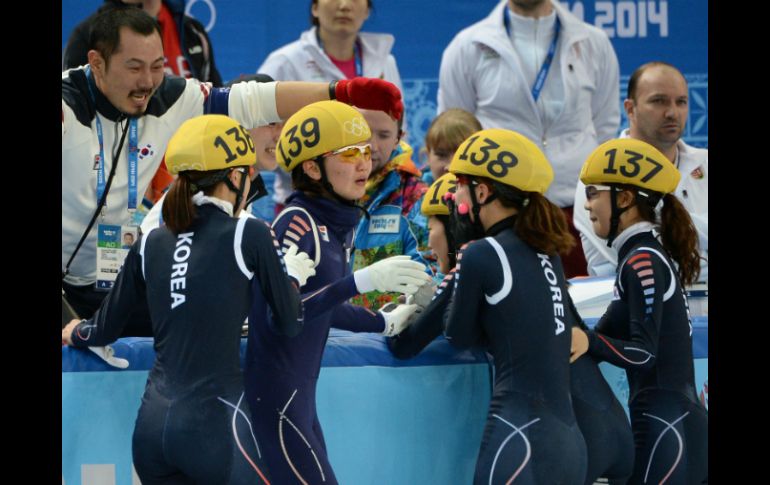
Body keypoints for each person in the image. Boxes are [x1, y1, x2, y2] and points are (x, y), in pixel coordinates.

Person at [61, 7, 404, 323]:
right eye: (134, 67)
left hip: (118, 278)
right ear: (97, 63)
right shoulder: (67, 108)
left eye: (157, 66)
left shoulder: (168, 96)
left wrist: (341, 92)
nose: (148, 81)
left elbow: (254, 101)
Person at [61, 114, 319, 485]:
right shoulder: (249, 231)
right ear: (235, 176)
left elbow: (102, 329)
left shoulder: (149, 241)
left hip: (152, 430)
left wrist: (76, 331)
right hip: (215, 429)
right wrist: (291, 276)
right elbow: (290, 323)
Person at [245, 100, 429, 485]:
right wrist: (360, 283)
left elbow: (323, 308)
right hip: (279, 403)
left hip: (297, 402)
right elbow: (281, 316)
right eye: (348, 153)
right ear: (312, 168)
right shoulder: (298, 223)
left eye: (365, 151)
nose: (364, 163)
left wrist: (384, 322)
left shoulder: (331, 225)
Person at [443, 128, 587, 483]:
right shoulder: (547, 250)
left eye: (459, 183)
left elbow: (457, 335)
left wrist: (460, 255)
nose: (453, 193)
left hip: (517, 433)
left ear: (481, 191)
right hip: (569, 441)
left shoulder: (481, 253)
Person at [437, 0, 620, 278]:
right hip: (501, 210)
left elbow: (605, 128)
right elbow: (455, 136)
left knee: (583, 312)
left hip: (578, 210)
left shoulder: (594, 43)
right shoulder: (467, 46)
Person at [570, 138, 708, 484]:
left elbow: (644, 353)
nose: (586, 207)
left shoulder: (642, 260)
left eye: (593, 193)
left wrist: (588, 343)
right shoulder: (636, 256)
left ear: (626, 198)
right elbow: (603, 334)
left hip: (666, 424)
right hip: (667, 421)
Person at [256, 0, 403, 214]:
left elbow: (397, 130)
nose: (344, 5)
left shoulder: (385, 62)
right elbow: (258, 133)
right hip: (304, 204)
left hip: (373, 207)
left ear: (368, 10)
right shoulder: (285, 63)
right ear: (314, 8)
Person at [573, 61, 708, 280]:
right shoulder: (600, 173)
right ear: (630, 108)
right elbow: (636, 264)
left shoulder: (706, 163)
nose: (672, 112)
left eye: (681, 102)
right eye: (658, 101)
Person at [350, 108, 430, 311]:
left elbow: (429, 272)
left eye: (384, 135)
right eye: (363, 133)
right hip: (331, 330)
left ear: (398, 138)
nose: (372, 146)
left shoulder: (415, 196)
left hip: (385, 333)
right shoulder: (326, 187)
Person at [63, 0, 222, 86]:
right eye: (135, 67)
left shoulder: (193, 31)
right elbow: (75, 108)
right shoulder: (87, 36)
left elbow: (214, 102)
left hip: (189, 143)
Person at [421, 108, 482, 186]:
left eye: (462, 156)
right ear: (428, 155)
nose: (450, 167)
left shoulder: (493, 194)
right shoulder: (412, 194)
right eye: (442, 155)